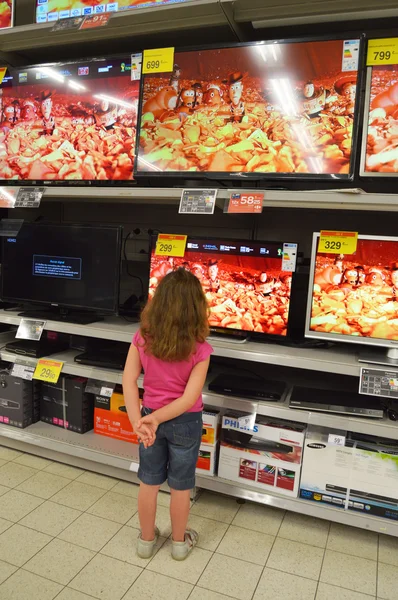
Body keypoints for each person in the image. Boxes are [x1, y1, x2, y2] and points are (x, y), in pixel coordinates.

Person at [122, 268, 213, 561]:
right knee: (181, 485)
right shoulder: (201, 348)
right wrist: (155, 419)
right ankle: (178, 544)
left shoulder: (142, 338)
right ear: (198, 307)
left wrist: (140, 421)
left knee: (148, 482)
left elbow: (128, 380)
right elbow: (189, 398)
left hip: (149, 419)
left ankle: (146, 542)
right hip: (185, 424)